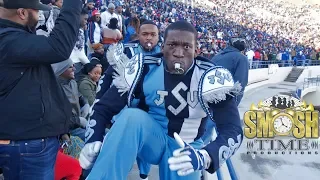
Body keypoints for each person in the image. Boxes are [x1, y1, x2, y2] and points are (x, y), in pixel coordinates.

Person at [80, 21, 243, 180]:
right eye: (172, 45)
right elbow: (103, 107)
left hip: (187, 148)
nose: (179, 52)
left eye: (186, 47)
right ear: (163, 47)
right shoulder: (142, 68)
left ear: (196, 51)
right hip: (151, 140)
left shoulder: (211, 78)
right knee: (131, 117)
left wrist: (206, 155)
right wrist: (93, 139)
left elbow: (233, 128)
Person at [0, 0, 82, 179]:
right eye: (36, 11)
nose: (39, 16)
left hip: (25, 142)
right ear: (22, 13)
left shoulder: (12, 38)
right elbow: (58, 47)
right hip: (26, 145)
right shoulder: (8, 40)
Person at [89, 20, 162, 179]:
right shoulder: (126, 51)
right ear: (138, 35)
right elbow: (108, 77)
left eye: (152, 34)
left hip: (151, 110)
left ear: (158, 36)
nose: (149, 38)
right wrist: (99, 99)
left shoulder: (165, 55)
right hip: (124, 107)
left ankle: (144, 175)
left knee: (145, 150)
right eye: (145, 34)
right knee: (122, 146)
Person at [202, 37, 249, 145]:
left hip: (207, 100)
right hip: (224, 103)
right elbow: (240, 84)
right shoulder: (241, 58)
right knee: (226, 139)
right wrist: (232, 106)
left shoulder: (217, 56)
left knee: (204, 135)